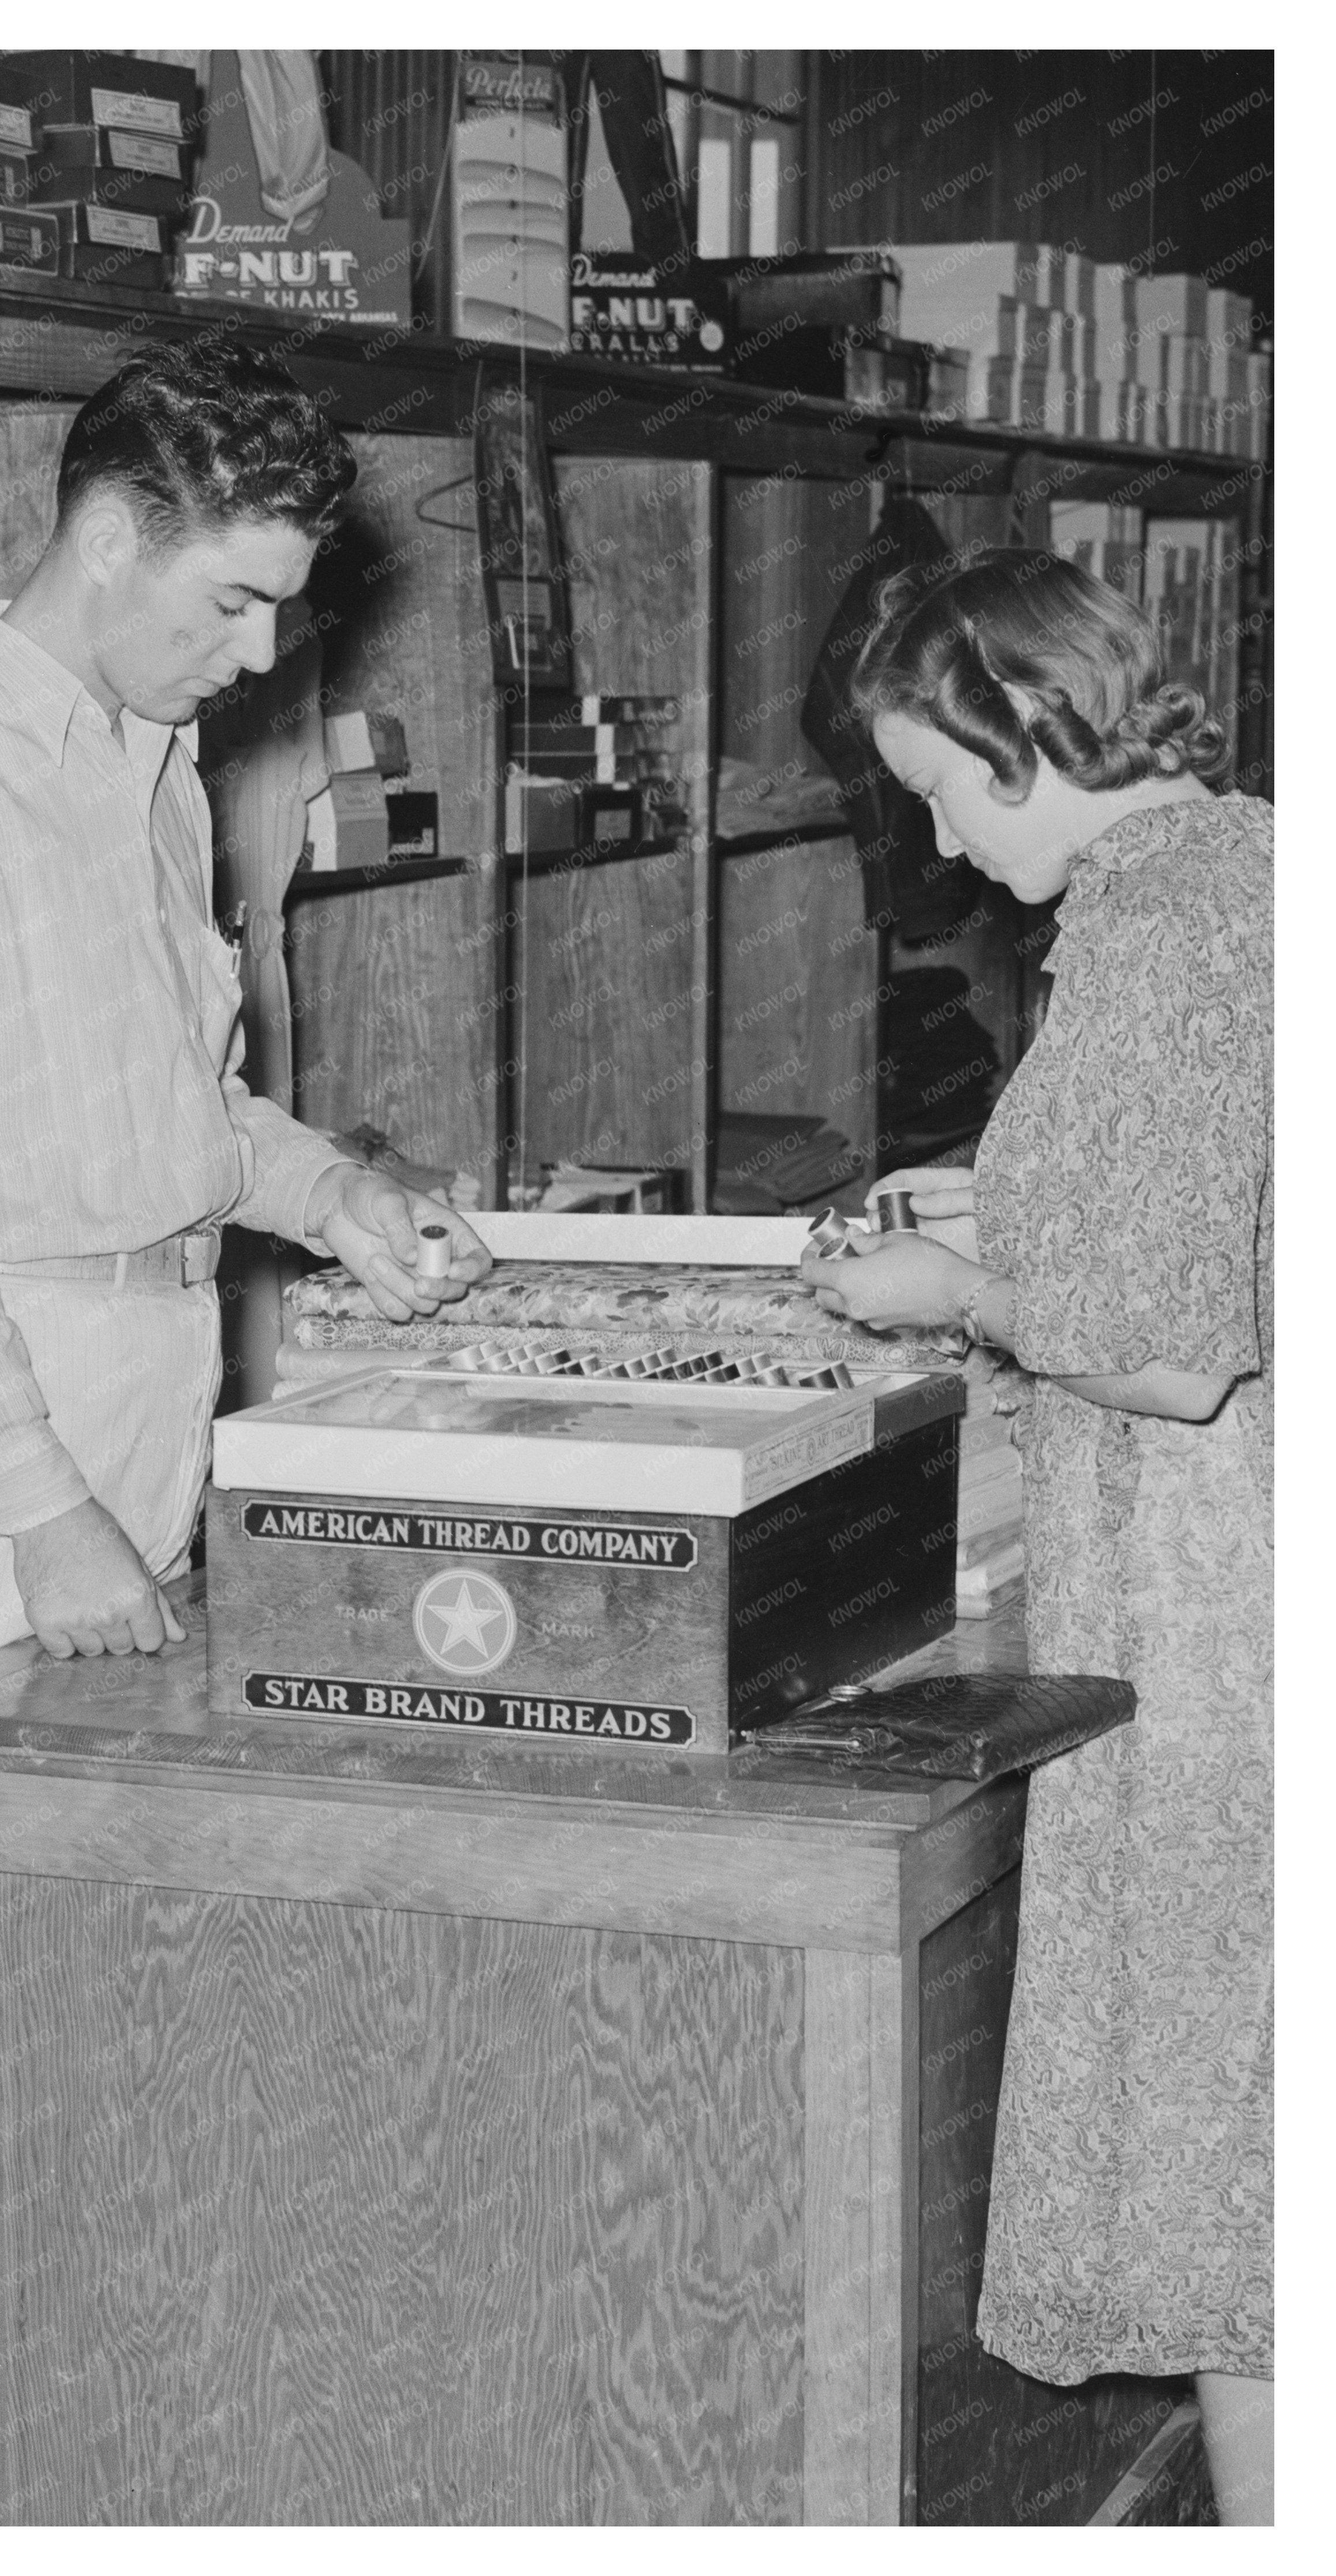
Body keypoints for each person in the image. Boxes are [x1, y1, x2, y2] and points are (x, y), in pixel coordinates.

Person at [0, 342, 487, 2525]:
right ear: (111, 536)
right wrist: (51, 1519)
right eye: (234, 604)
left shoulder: (139, 759)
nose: (262, 657)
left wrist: (329, 1188)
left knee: (58, 1993)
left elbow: (156, 1108)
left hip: (139, 1392)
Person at [797, 547, 1270, 2524]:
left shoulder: (1159, 930)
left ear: (1024, 740)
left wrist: (953, 1299)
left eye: (936, 787)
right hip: (1242, 1569)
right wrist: (996, 1207)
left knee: (1238, 2177)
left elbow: (1163, 1345)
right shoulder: (1237, 867)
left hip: (1216, 1596)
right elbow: (1206, 1198)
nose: (929, 834)